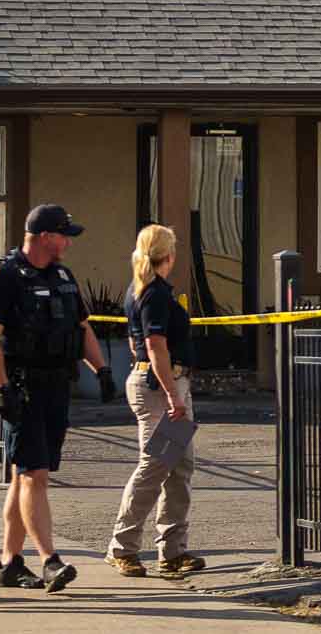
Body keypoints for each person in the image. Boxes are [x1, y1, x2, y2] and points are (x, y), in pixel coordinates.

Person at [0, 203, 112, 593]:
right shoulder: (2, 276)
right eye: (63, 234)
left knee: (26, 476)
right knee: (34, 474)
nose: (68, 241)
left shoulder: (63, 275)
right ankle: (50, 560)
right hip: (22, 387)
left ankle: (9, 563)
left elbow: (81, 327)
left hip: (57, 387)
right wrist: (1, 387)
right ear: (43, 236)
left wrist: (101, 370)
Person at [105, 224, 204, 578]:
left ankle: (173, 551)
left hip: (162, 381)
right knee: (155, 466)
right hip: (161, 386)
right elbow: (154, 346)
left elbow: (137, 344)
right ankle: (122, 547)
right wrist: (173, 395)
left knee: (178, 467)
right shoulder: (156, 293)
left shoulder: (141, 289)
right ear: (170, 255)